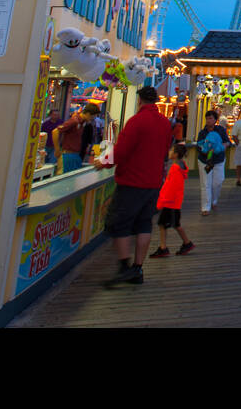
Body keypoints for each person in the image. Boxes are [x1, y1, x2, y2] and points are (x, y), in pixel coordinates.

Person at [103, 86, 172, 287]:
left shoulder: (136, 122)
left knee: (119, 223)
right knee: (144, 223)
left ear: (139, 100)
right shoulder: (164, 123)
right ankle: (138, 267)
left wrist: (103, 162)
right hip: (153, 182)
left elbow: (121, 151)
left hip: (132, 182)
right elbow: (165, 150)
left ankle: (124, 265)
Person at [151, 143, 194, 258]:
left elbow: (170, 187)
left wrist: (161, 202)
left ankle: (180, 244)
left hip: (171, 203)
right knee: (168, 224)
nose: (169, 152)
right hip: (174, 202)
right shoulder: (180, 166)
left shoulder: (175, 168)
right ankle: (168, 246)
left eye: (171, 151)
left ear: (175, 154)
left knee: (170, 224)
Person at [194, 110, 229, 215]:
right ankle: (205, 207)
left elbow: (227, 142)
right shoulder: (202, 133)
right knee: (206, 184)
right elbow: (199, 146)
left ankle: (214, 200)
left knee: (217, 182)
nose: (208, 120)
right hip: (205, 161)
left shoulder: (221, 130)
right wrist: (206, 151)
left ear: (215, 120)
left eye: (211, 118)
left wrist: (222, 147)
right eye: (207, 118)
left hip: (218, 160)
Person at [53, 103, 99, 173]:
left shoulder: (82, 123)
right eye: (93, 116)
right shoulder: (74, 121)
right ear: (88, 114)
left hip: (76, 155)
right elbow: (55, 132)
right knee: (63, 179)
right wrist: (57, 149)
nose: (93, 118)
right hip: (68, 155)